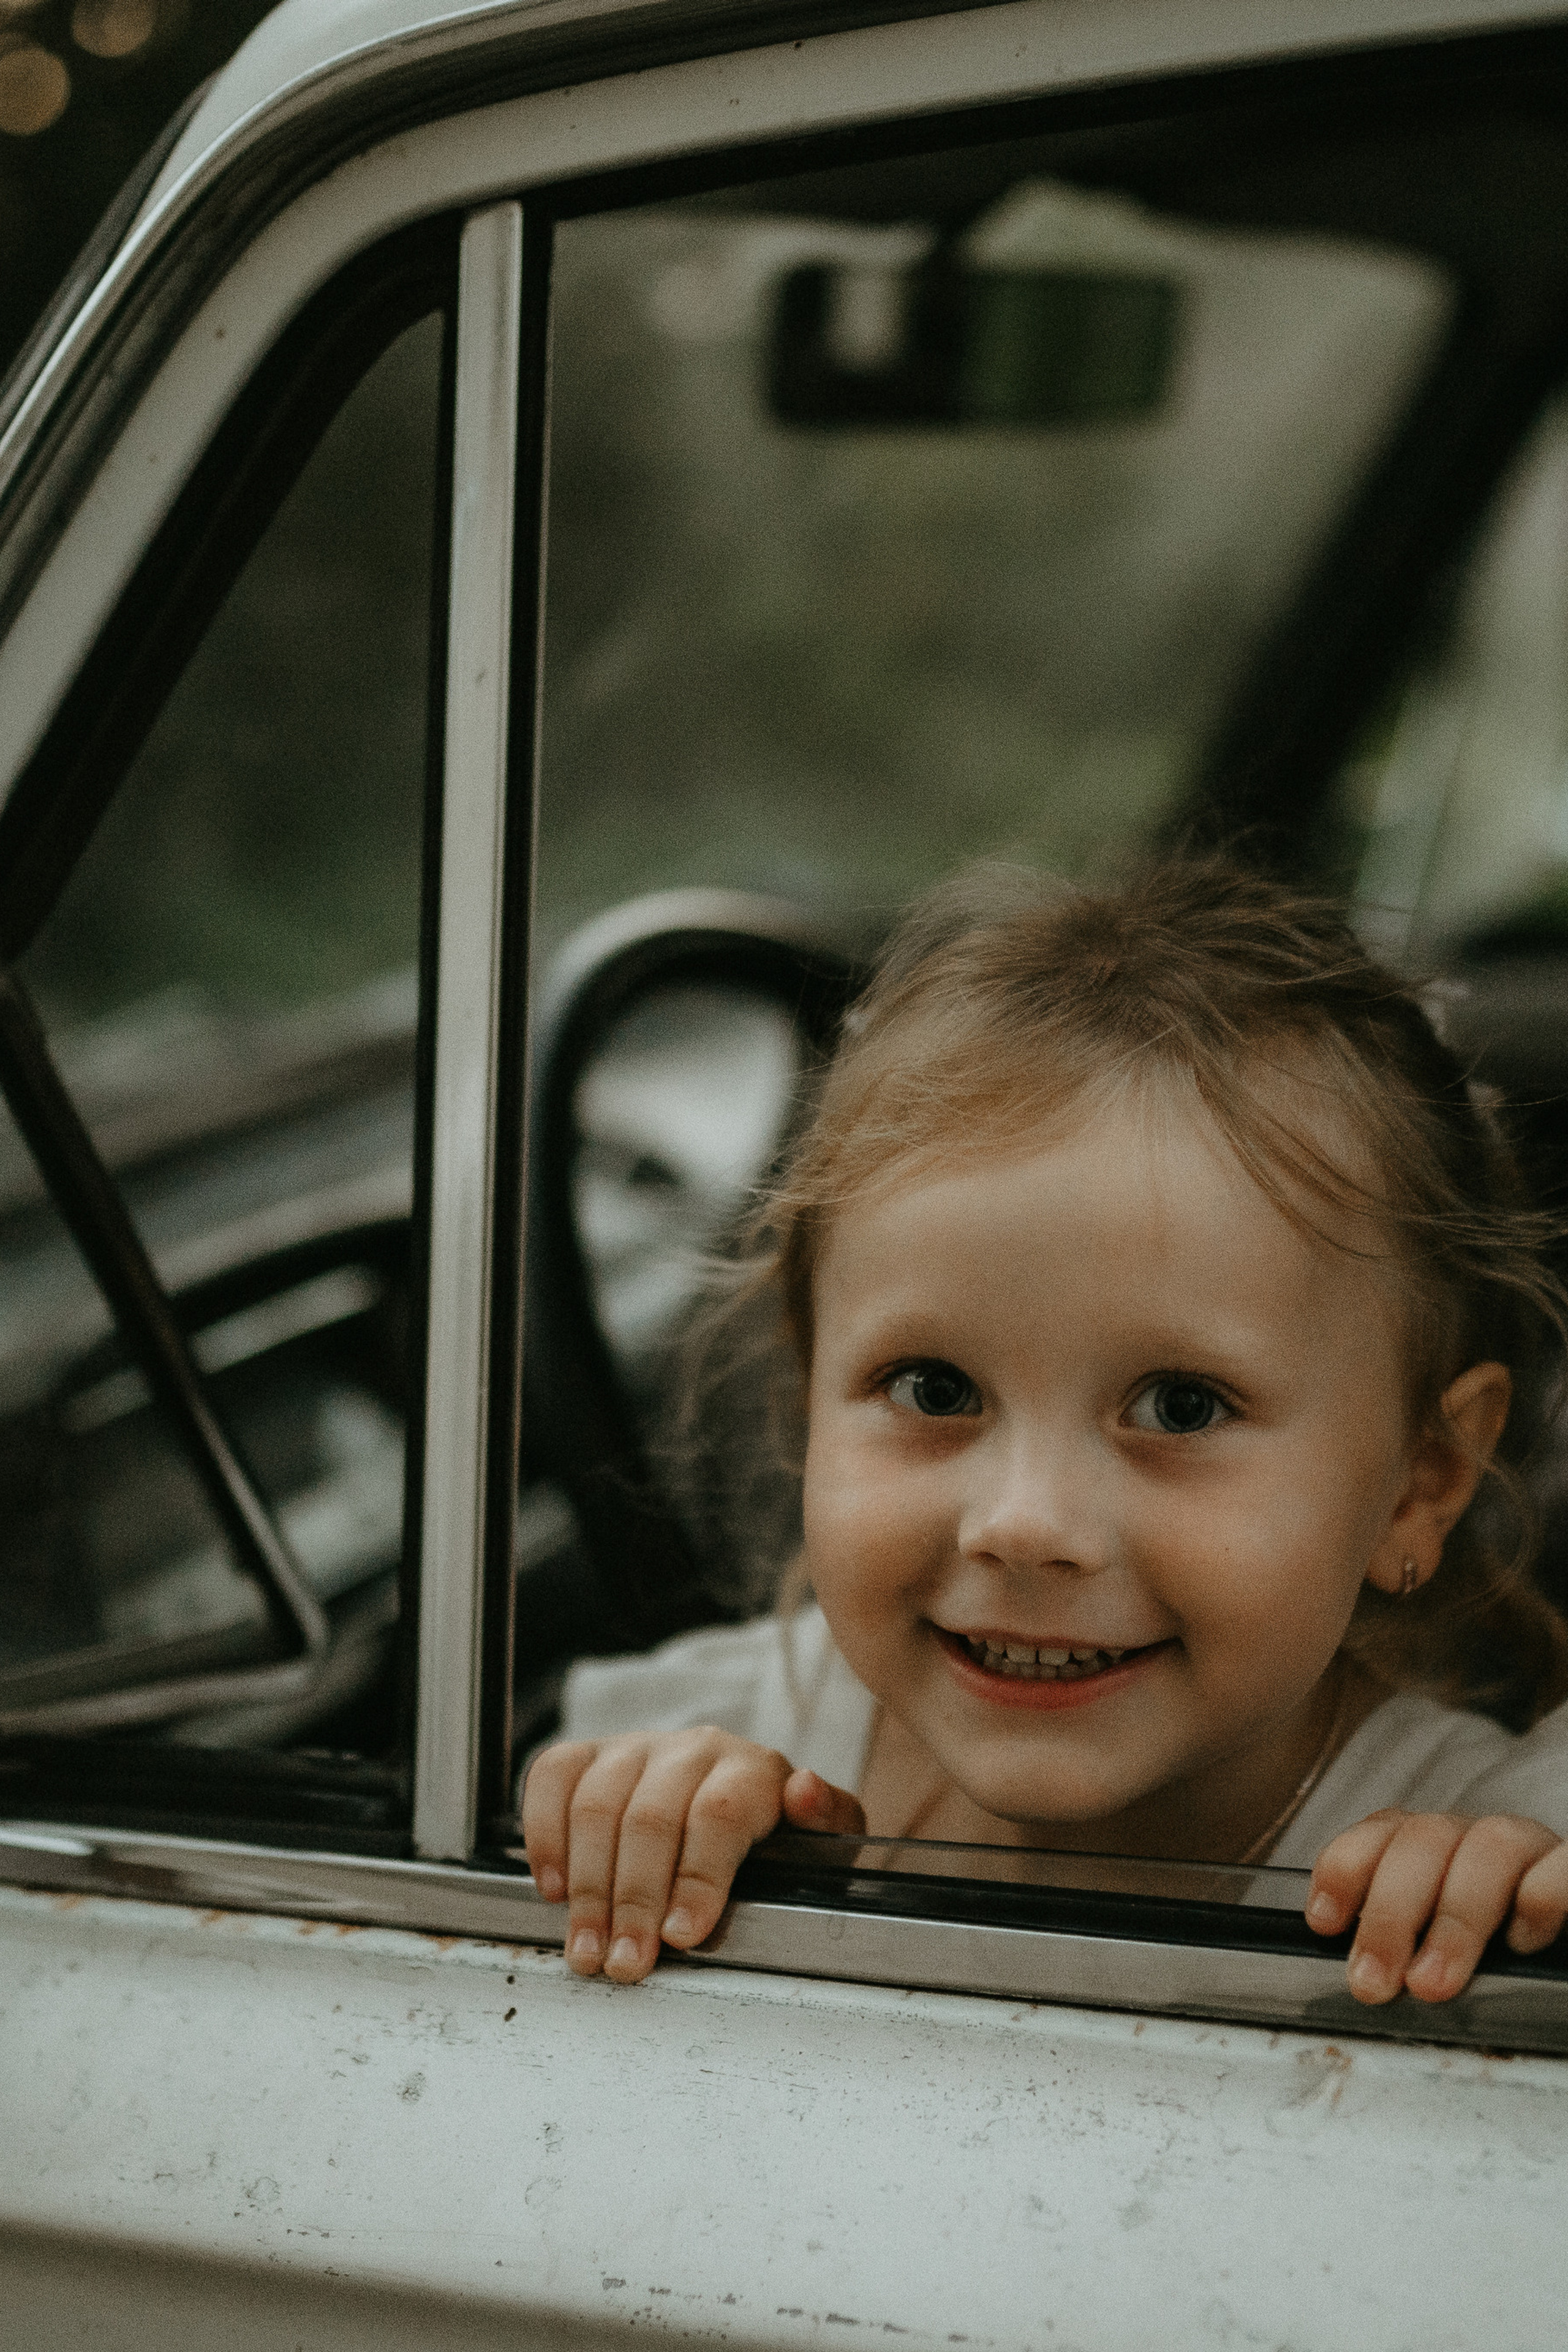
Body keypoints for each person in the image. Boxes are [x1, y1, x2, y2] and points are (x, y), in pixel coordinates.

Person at [522, 859, 1568, 2003]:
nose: (1025, 1524)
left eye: (1182, 1407)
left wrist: (1520, 1906)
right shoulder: (711, 1737)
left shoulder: (1488, 1851)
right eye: (933, 1390)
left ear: (1424, 1478)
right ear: (807, 1394)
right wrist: (645, 1851)